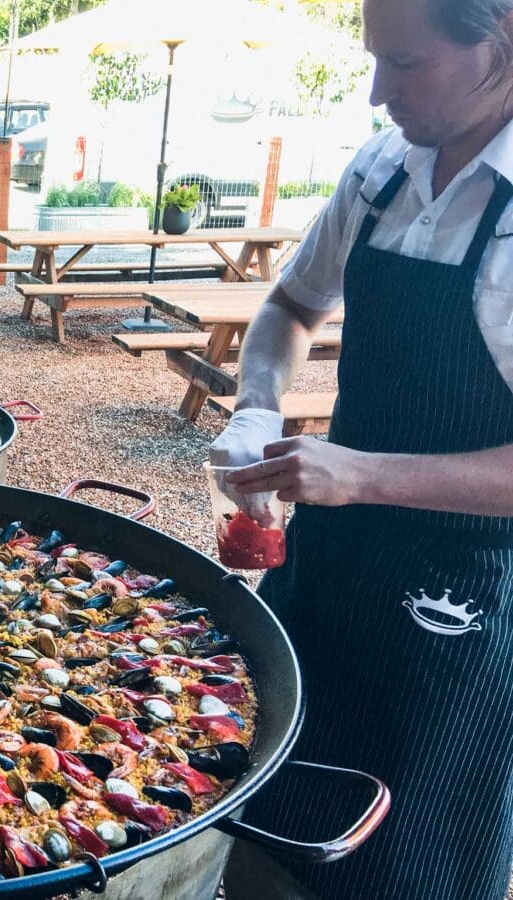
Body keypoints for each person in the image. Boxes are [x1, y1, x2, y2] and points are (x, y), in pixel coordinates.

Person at [213, 0, 513, 897]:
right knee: (273, 789)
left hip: (463, 587)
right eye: (374, 60)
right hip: (334, 551)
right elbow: (292, 306)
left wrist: (365, 472)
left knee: (407, 848)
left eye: (407, 65)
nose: (378, 94)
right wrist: (256, 408)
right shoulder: (383, 165)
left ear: (497, 47)